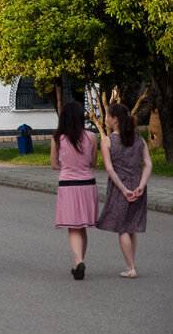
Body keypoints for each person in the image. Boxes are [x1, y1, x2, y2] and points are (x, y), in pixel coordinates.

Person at [96, 103, 152, 279]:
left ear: (115, 119)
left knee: (123, 228)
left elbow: (110, 169)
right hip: (138, 184)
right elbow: (148, 164)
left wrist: (124, 189)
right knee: (132, 226)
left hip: (120, 186)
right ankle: (131, 265)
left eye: (107, 116)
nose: (106, 119)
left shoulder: (107, 141)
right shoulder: (139, 139)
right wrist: (141, 186)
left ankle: (131, 268)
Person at [50, 101, 99, 281]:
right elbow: (93, 163)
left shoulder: (57, 138)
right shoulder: (91, 137)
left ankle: (78, 262)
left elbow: (54, 164)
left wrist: (67, 164)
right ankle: (78, 262)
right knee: (83, 226)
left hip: (68, 185)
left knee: (73, 226)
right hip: (87, 184)